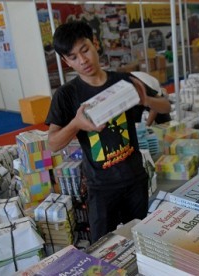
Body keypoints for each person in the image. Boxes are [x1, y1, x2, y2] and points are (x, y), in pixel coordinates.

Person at [45, 21, 171, 242]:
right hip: (101, 188)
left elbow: (165, 106)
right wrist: (75, 124)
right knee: (103, 248)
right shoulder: (66, 95)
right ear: (66, 61)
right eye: (73, 57)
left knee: (140, 241)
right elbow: (52, 144)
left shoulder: (123, 81)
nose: (83, 60)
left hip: (135, 180)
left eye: (85, 50)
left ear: (95, 44)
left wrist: (145, 99)